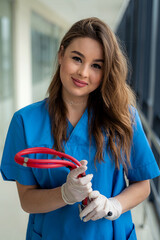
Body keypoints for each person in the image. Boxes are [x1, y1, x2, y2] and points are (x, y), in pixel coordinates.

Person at [0, 17, 160, 240]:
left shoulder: (124, 117)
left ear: (106, 72)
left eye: (96, 65)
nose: (83, 73)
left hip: (109, 234)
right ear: (61, 54)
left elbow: (143, 185)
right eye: (77, 58)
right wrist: (64, 194)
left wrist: (113, 204)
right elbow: (27, 200)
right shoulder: (25, 121)